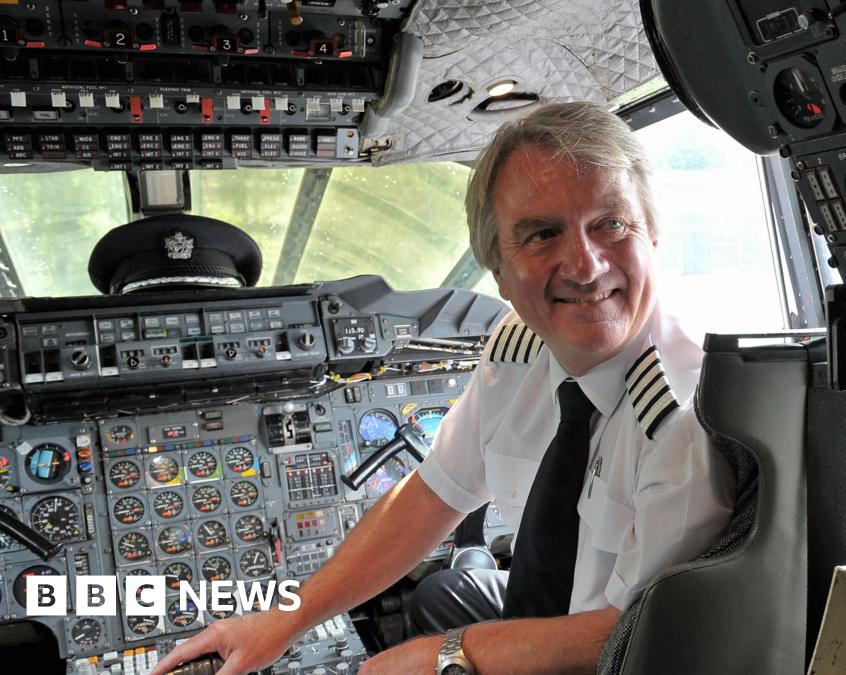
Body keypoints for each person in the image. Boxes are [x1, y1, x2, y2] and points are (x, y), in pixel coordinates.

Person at [149, 101, 734, 675]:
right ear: (498, 273)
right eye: (541, 234)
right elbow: (432, 493)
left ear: (653, 236)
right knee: (442, 595)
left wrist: (447, 656)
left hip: (622, 655)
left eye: (611, 224)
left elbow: (633, 635)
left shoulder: (685, 418)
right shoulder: (519, 349)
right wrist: (283, 620)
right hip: (559, 610)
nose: (585, 266)